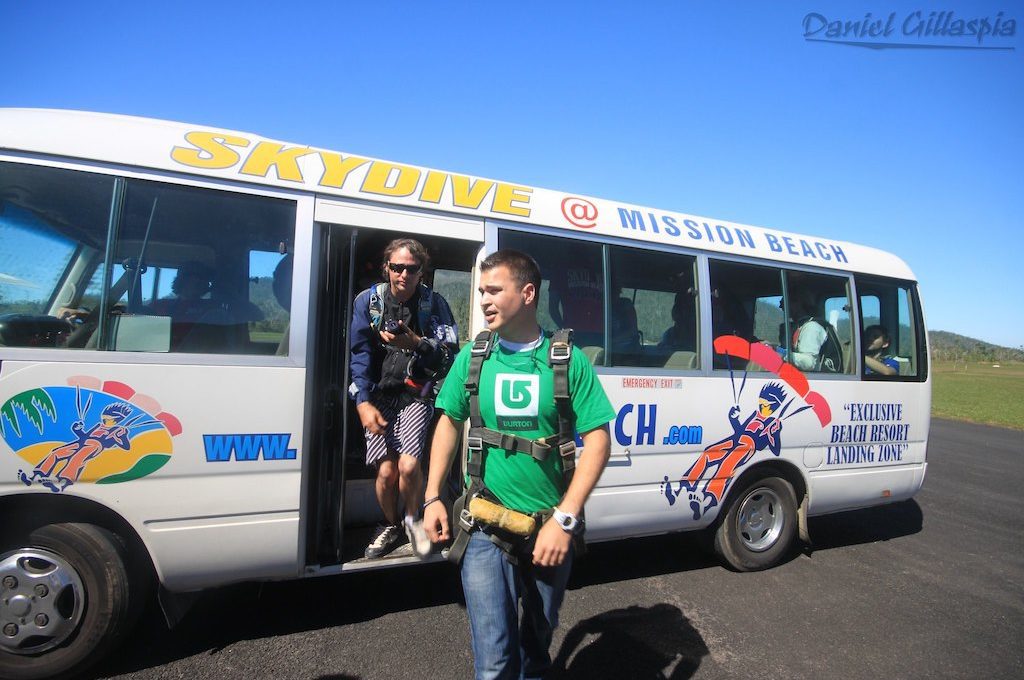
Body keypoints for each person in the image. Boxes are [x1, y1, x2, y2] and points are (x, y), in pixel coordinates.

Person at [423, 249, 614, 680]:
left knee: (535, 650)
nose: (484, 300)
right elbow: (450, 422)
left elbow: (598, 443)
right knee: (494, 662)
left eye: (495, 290)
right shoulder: (474, 356)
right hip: (485, 525)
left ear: (527, 294)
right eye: (481, 291)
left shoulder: (567, 360)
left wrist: (564, 520)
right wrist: (433, 494)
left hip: (549, 526)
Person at [349, 238, 458, 559]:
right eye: (397, 267)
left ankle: (412, 520)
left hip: (416, 394)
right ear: (386, 268)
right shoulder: (368, 302)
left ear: (421, 271)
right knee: (386, 473)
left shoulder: (434, 305)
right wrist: (363, 402)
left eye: (411, 269)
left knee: (409, 467)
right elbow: (358, 355)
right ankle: (391, 523)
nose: (403, 275)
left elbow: (450, 355)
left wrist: (417, 344)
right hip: (378, 395)